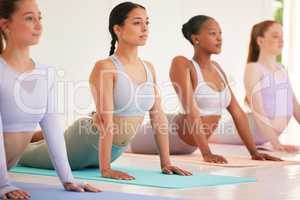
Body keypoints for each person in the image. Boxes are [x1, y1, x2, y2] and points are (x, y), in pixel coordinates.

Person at [20, 1, 191, 180]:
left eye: (147, 22)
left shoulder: (149, 68)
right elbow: (105, 121)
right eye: (137, 22)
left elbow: (158, 117)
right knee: (20, 154)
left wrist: (166, 163)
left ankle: (40, 136)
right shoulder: (106, 67)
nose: (145, 28)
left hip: (113, 151)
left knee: (39, 143)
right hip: (82, 144)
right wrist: (106, 169)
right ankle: (18, 137)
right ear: (118, 29)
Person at [129, 15, 281, 164]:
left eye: (220, 33)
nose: (219, 38)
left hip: (189, 148)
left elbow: (238, 114)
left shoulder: (218, 69)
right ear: (196, 39)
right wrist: (206, 152)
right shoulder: (182, 64)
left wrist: (254, 152)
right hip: (165, 134)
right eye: (212, 33)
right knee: (121, 143)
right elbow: (191, 111)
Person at [0, 0, 100, 199]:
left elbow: (53, 129)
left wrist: (67, 179)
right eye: (29, 18)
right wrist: (3, 184)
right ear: (5, 25)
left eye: (40, 17)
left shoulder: (46, 73)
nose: (38, 25)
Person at [241, 20, 300, 152]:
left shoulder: (282, 69)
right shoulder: (254, 68)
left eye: (282, 36)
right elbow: (258, 110)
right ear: (260, 41)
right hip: (242, 130)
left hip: (263, 137)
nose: (281, 41)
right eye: (275, 36)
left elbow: (296, 107)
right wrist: (276, 144)